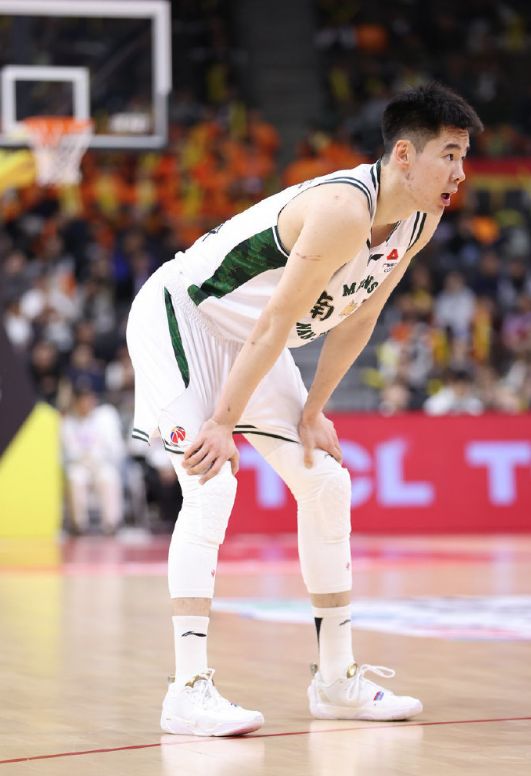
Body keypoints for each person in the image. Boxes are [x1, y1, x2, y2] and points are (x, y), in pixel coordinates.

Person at [126, 83, 483, 736]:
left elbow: (361, 316)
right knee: (210, 482)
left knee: (325, 482)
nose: (460, 173)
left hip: (251, 339)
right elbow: (274, 322)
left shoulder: (420, 219)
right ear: (404, 155)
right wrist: (220, 422)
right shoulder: (343, 209)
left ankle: (336, 680)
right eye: (450, 155)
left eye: (464, 157)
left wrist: (314, 409)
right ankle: (187, 690)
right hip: (184, 314)